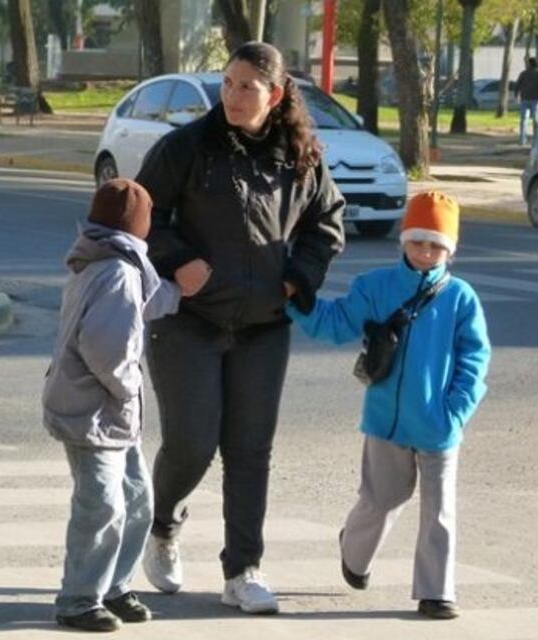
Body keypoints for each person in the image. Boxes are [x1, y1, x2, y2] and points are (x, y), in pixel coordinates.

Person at [135, 41, 345, 614]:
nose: (231, 95)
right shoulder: (187, 147)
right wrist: (178, 258)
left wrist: (297, 278)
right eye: (227, 83)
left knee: (251, 450)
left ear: (275, 95)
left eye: (246, 86)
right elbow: (138, 215)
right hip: (189, 322)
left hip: (263, 327)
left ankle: (243, 569)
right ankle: (162, 526)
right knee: (193, 442)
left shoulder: (298, 156)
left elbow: (327, 221)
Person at [287, 191, 491, 620]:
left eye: (436, 244)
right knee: (380, 500)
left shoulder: (460, 298)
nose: (425, 251)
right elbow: (336, 323)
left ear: (449, 250)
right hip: (385, 423)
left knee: (439, 511)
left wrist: (455, 411)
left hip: (439, 426)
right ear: (403, 240)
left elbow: (475, 359)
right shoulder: (375, 287)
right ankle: (354, 554)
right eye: (418, 241)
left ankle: (437, 592)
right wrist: (297, 302)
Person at [41, 179, 182, 632]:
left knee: (137, 499)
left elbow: (150, 300)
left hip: (107, 412)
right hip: (93, 411)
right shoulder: (117, 272)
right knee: (101, 505)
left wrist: (181, 293)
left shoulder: (102, 260)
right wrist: (126, 389)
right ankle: (79, 599)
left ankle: (114, 586)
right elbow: (107, 349)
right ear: (137, 227)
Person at [515, 57, 538, 145]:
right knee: (536, 120)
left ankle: (522, 140)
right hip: (535, 100)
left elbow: (517, 85)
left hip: (524, 99)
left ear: (529, 64)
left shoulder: (523, 74)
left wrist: (516, 95)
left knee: (523, 120)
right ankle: (536, 140)